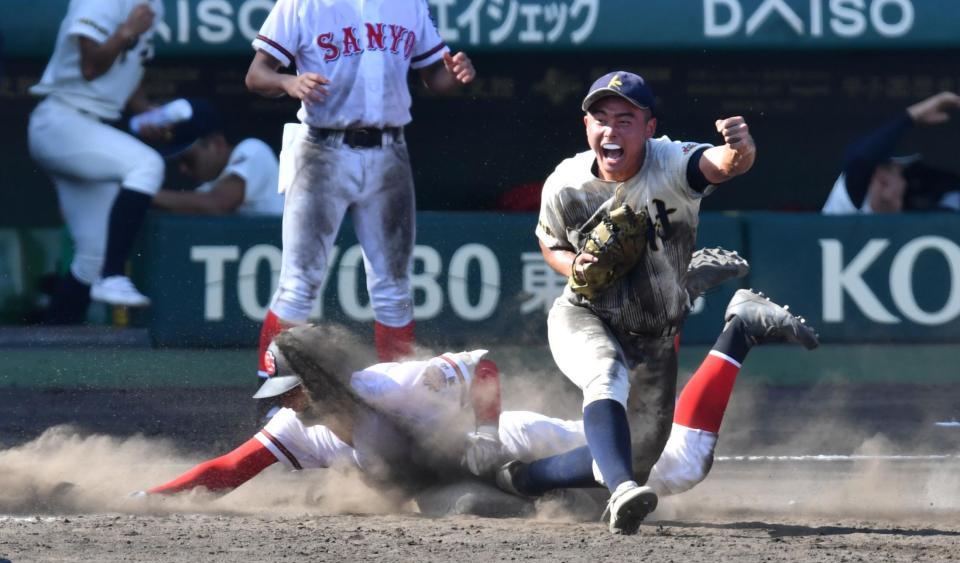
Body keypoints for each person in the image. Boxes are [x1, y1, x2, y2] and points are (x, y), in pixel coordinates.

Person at [141, 288, 818, 521]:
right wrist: (156, 495)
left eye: (288, 389)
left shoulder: (385, 386)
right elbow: (229, 469)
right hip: (484, 483)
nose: (283, 404)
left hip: (513, 445)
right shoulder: (304, 426)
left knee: (674, 467)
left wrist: (489, 431)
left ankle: (737, 328)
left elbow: (482, 366)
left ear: (314, 381)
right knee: (477, 505)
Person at [516, 70, 758, 534]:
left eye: (625, 120)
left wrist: (740, 147)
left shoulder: (670, 162)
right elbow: (549, 243)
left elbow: (723, 164)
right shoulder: (566, 183)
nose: (611, 130)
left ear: (649, 128)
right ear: (586, 126)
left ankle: (526, 477)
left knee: (642, 453)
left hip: (652, 335)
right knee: (604, 374)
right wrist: (574, 267)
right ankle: (622, 489)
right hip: (585, 313)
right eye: (600, 118)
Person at [243, 0, 476, 377]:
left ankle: (398, 393)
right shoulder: (303, 4)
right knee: (299, 282)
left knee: (393, 287)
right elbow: (257, 74)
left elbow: (435, 75)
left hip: (389, 151)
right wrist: (289, 82)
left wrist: (457, 74)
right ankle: (274, 392)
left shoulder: (408, 4)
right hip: (321, 149)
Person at [28, 0, 167, 323]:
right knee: (147, 165)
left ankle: (51, 340)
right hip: (60, 120)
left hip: (88, 125)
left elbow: (128, 66)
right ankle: (114, 275)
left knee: (93, 254)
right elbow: (90, 67)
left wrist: (144, 108)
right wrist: (128, 31)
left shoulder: (153, 5)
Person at [822, 91, 960, 215]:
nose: (905, 184)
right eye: (899, 175)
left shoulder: (894, 220)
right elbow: (860, 159)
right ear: (883, 181)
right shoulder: (846, 203)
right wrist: (912, 116)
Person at [153, 99, 285, 216]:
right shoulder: (208, 187)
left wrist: (145, 191)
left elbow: (218, 203)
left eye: (188, 160)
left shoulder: (252, 149)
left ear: (217, 144)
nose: (183, 169)